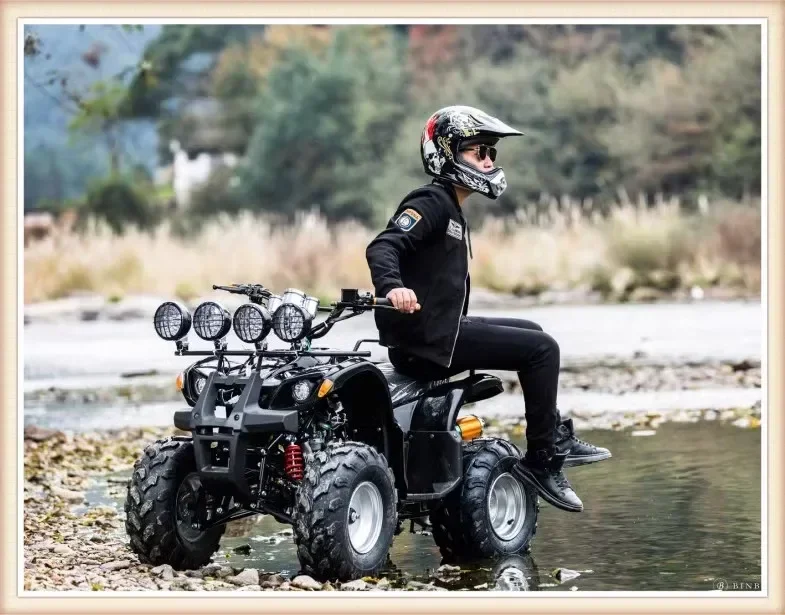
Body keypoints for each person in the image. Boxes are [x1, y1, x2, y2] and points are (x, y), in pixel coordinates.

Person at [365, 105, 611, 513]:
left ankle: (556, 436)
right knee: (543, 350)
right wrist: (393, 287)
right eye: (477, 151)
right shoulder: (431, 201)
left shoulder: (451, 206)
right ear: (445, 153)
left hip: (439, 331)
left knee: (532, 328)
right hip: (428, 344)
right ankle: (543, 460)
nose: (488, 160)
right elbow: (384, 245)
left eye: (491, 153)